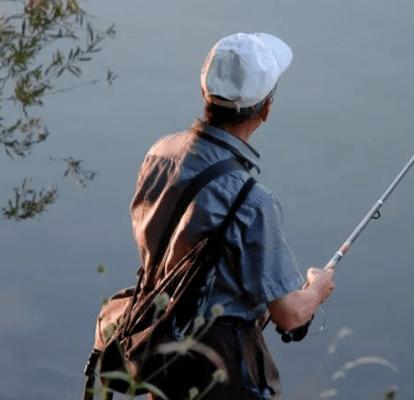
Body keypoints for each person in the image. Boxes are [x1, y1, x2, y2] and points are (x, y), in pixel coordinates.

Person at [130, 32, 335, 399]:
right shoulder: (253, 201)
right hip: (217, 368)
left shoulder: (159, 155)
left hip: (157, 347)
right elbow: (288, 314)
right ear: (266, 109)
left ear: (205, 93)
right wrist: (317, 288)